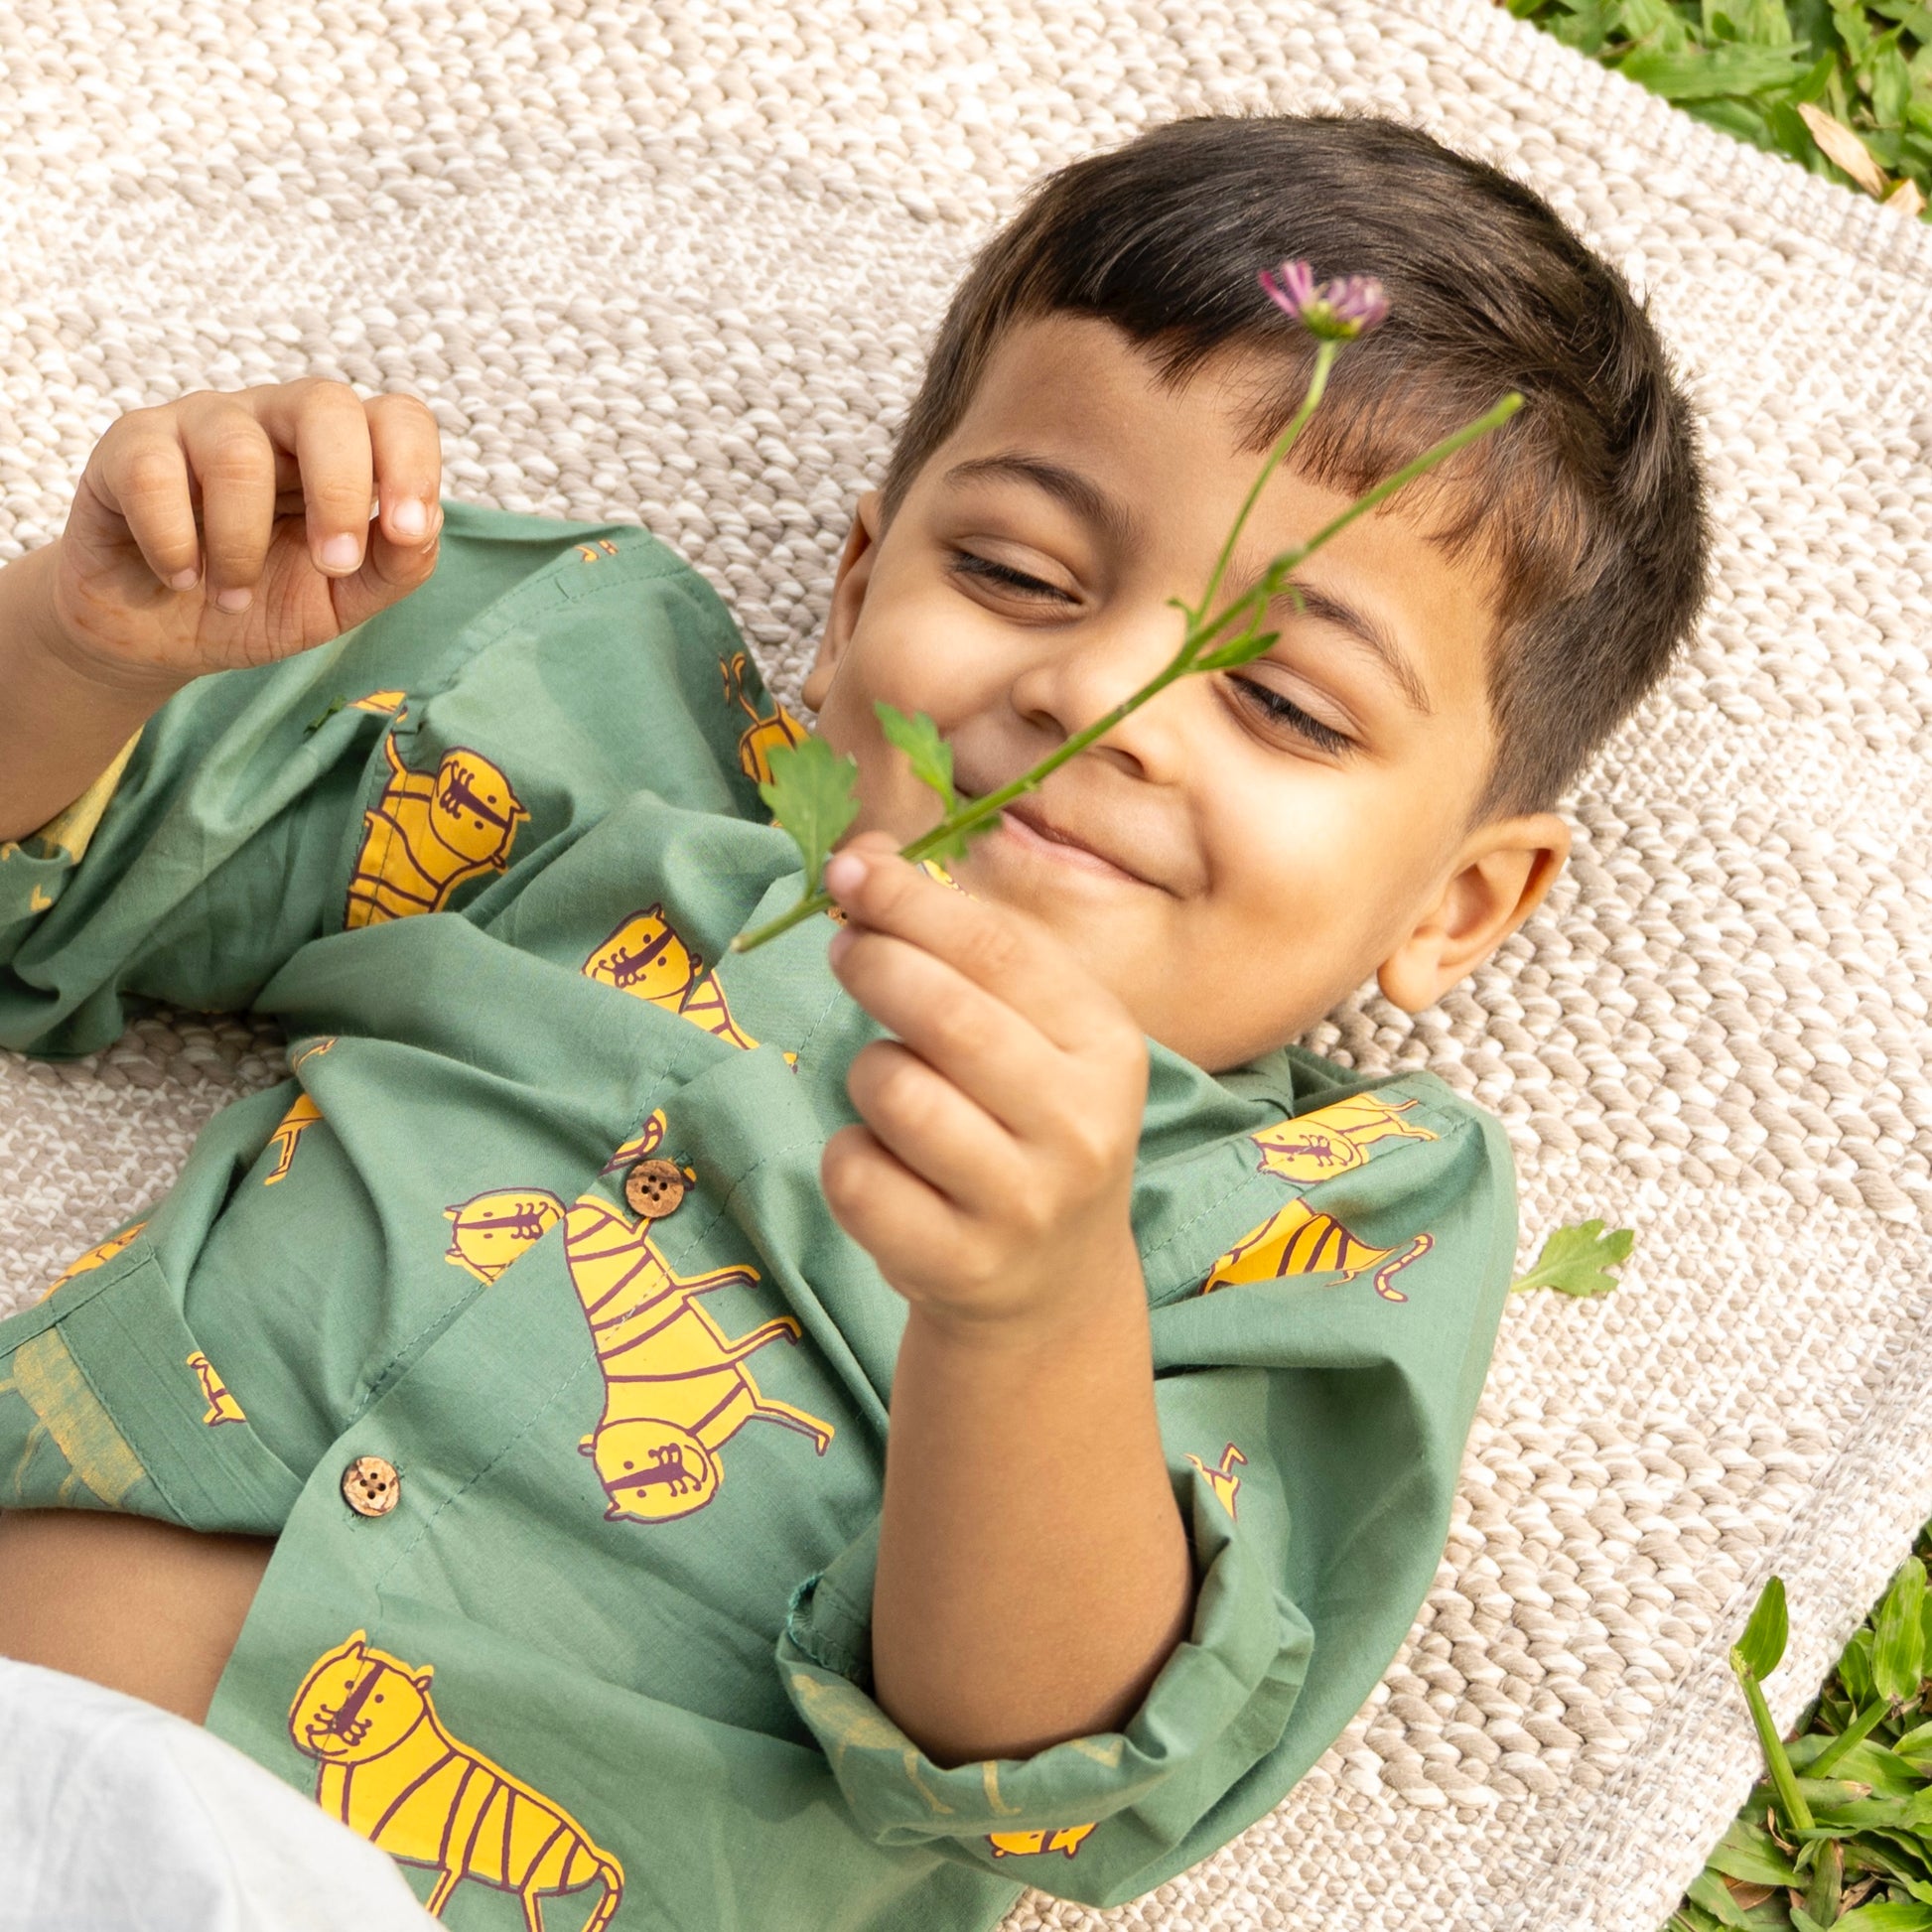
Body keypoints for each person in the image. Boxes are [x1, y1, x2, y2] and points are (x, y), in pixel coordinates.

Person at [0, 112, 1707, 1929]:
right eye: (1022, 575)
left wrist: (1029, 1313)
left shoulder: (1319, 1204)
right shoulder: (591, 740)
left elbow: (1058, 1763)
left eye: (1283, 702)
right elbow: (52, 851)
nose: (1099, 691)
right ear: (851, 593)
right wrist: (90, 639)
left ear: (1452, 902)